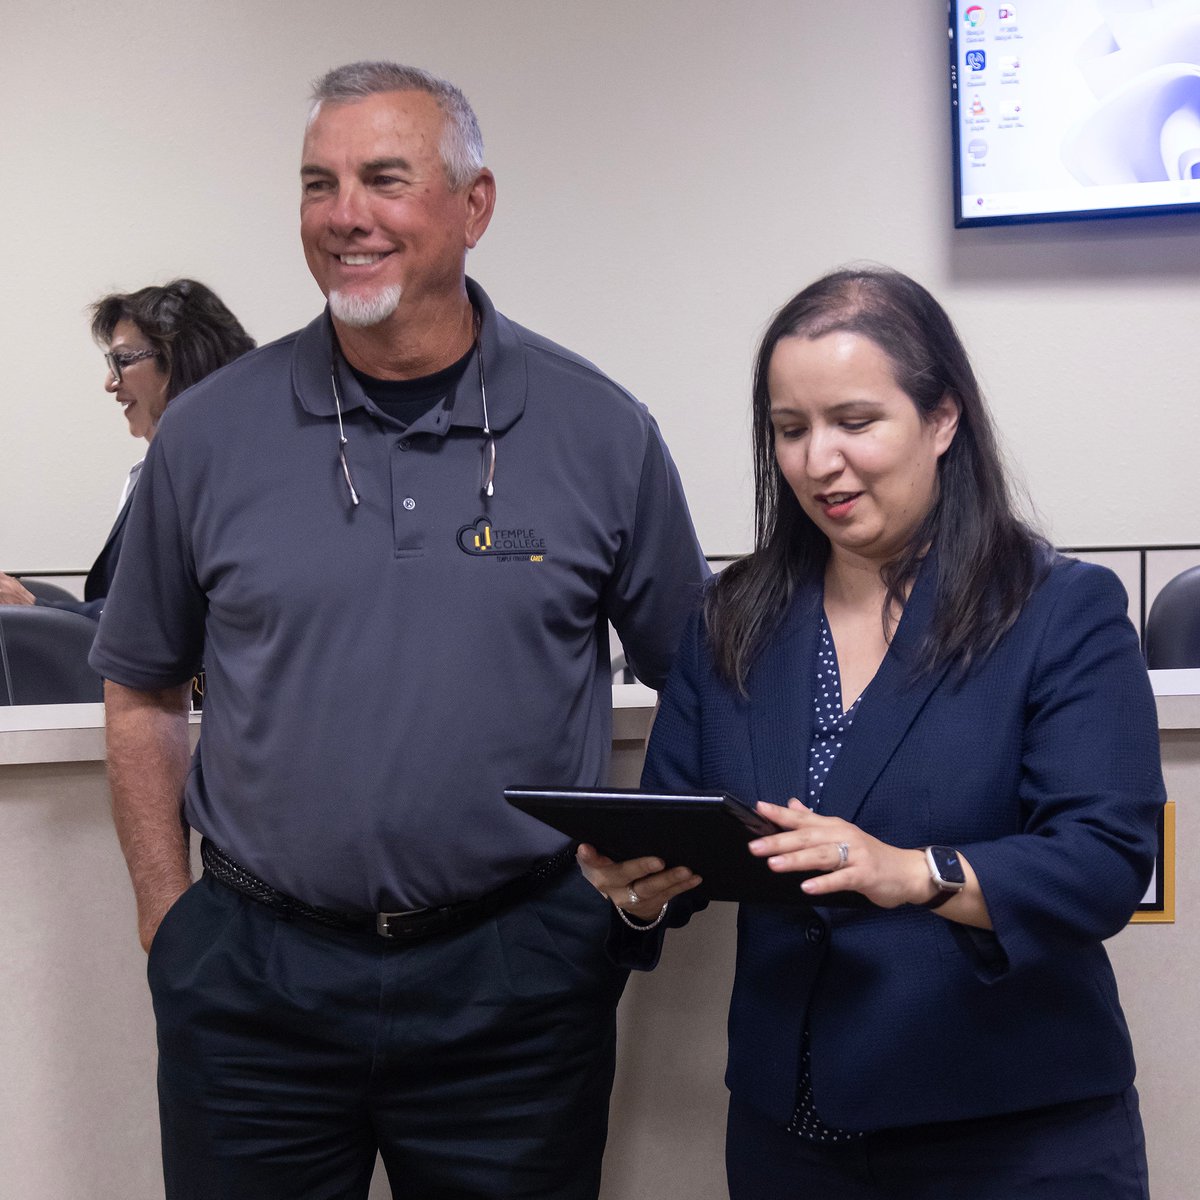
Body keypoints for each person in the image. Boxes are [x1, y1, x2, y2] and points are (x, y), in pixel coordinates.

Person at [89, 61, 706, 1200]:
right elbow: (141, 692)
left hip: (516, 986)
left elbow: (701, 684)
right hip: (253, 987)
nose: (345, 216)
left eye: (384, 179)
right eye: (319, 185)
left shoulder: (601, 430)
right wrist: (168, 923)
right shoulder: (210, 434)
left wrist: (613, 900)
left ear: (474, 207)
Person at [580, 267, 1162, 1199]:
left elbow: (1102, 861)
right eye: (790, 429)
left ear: (942, 420)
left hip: (1008, 1134)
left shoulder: (1060, 611)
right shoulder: (734, 614)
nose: (817, 462)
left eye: (854, 422)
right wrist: (638, 888)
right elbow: (682, 825)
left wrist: (908, 870)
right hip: (790, 1135)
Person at [0, 279, 255, 617]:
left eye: (123, 360)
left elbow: (167, 618)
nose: (110, 383)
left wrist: (37, 608)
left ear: (181, 359)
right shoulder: (159, 471)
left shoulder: (220, 480)